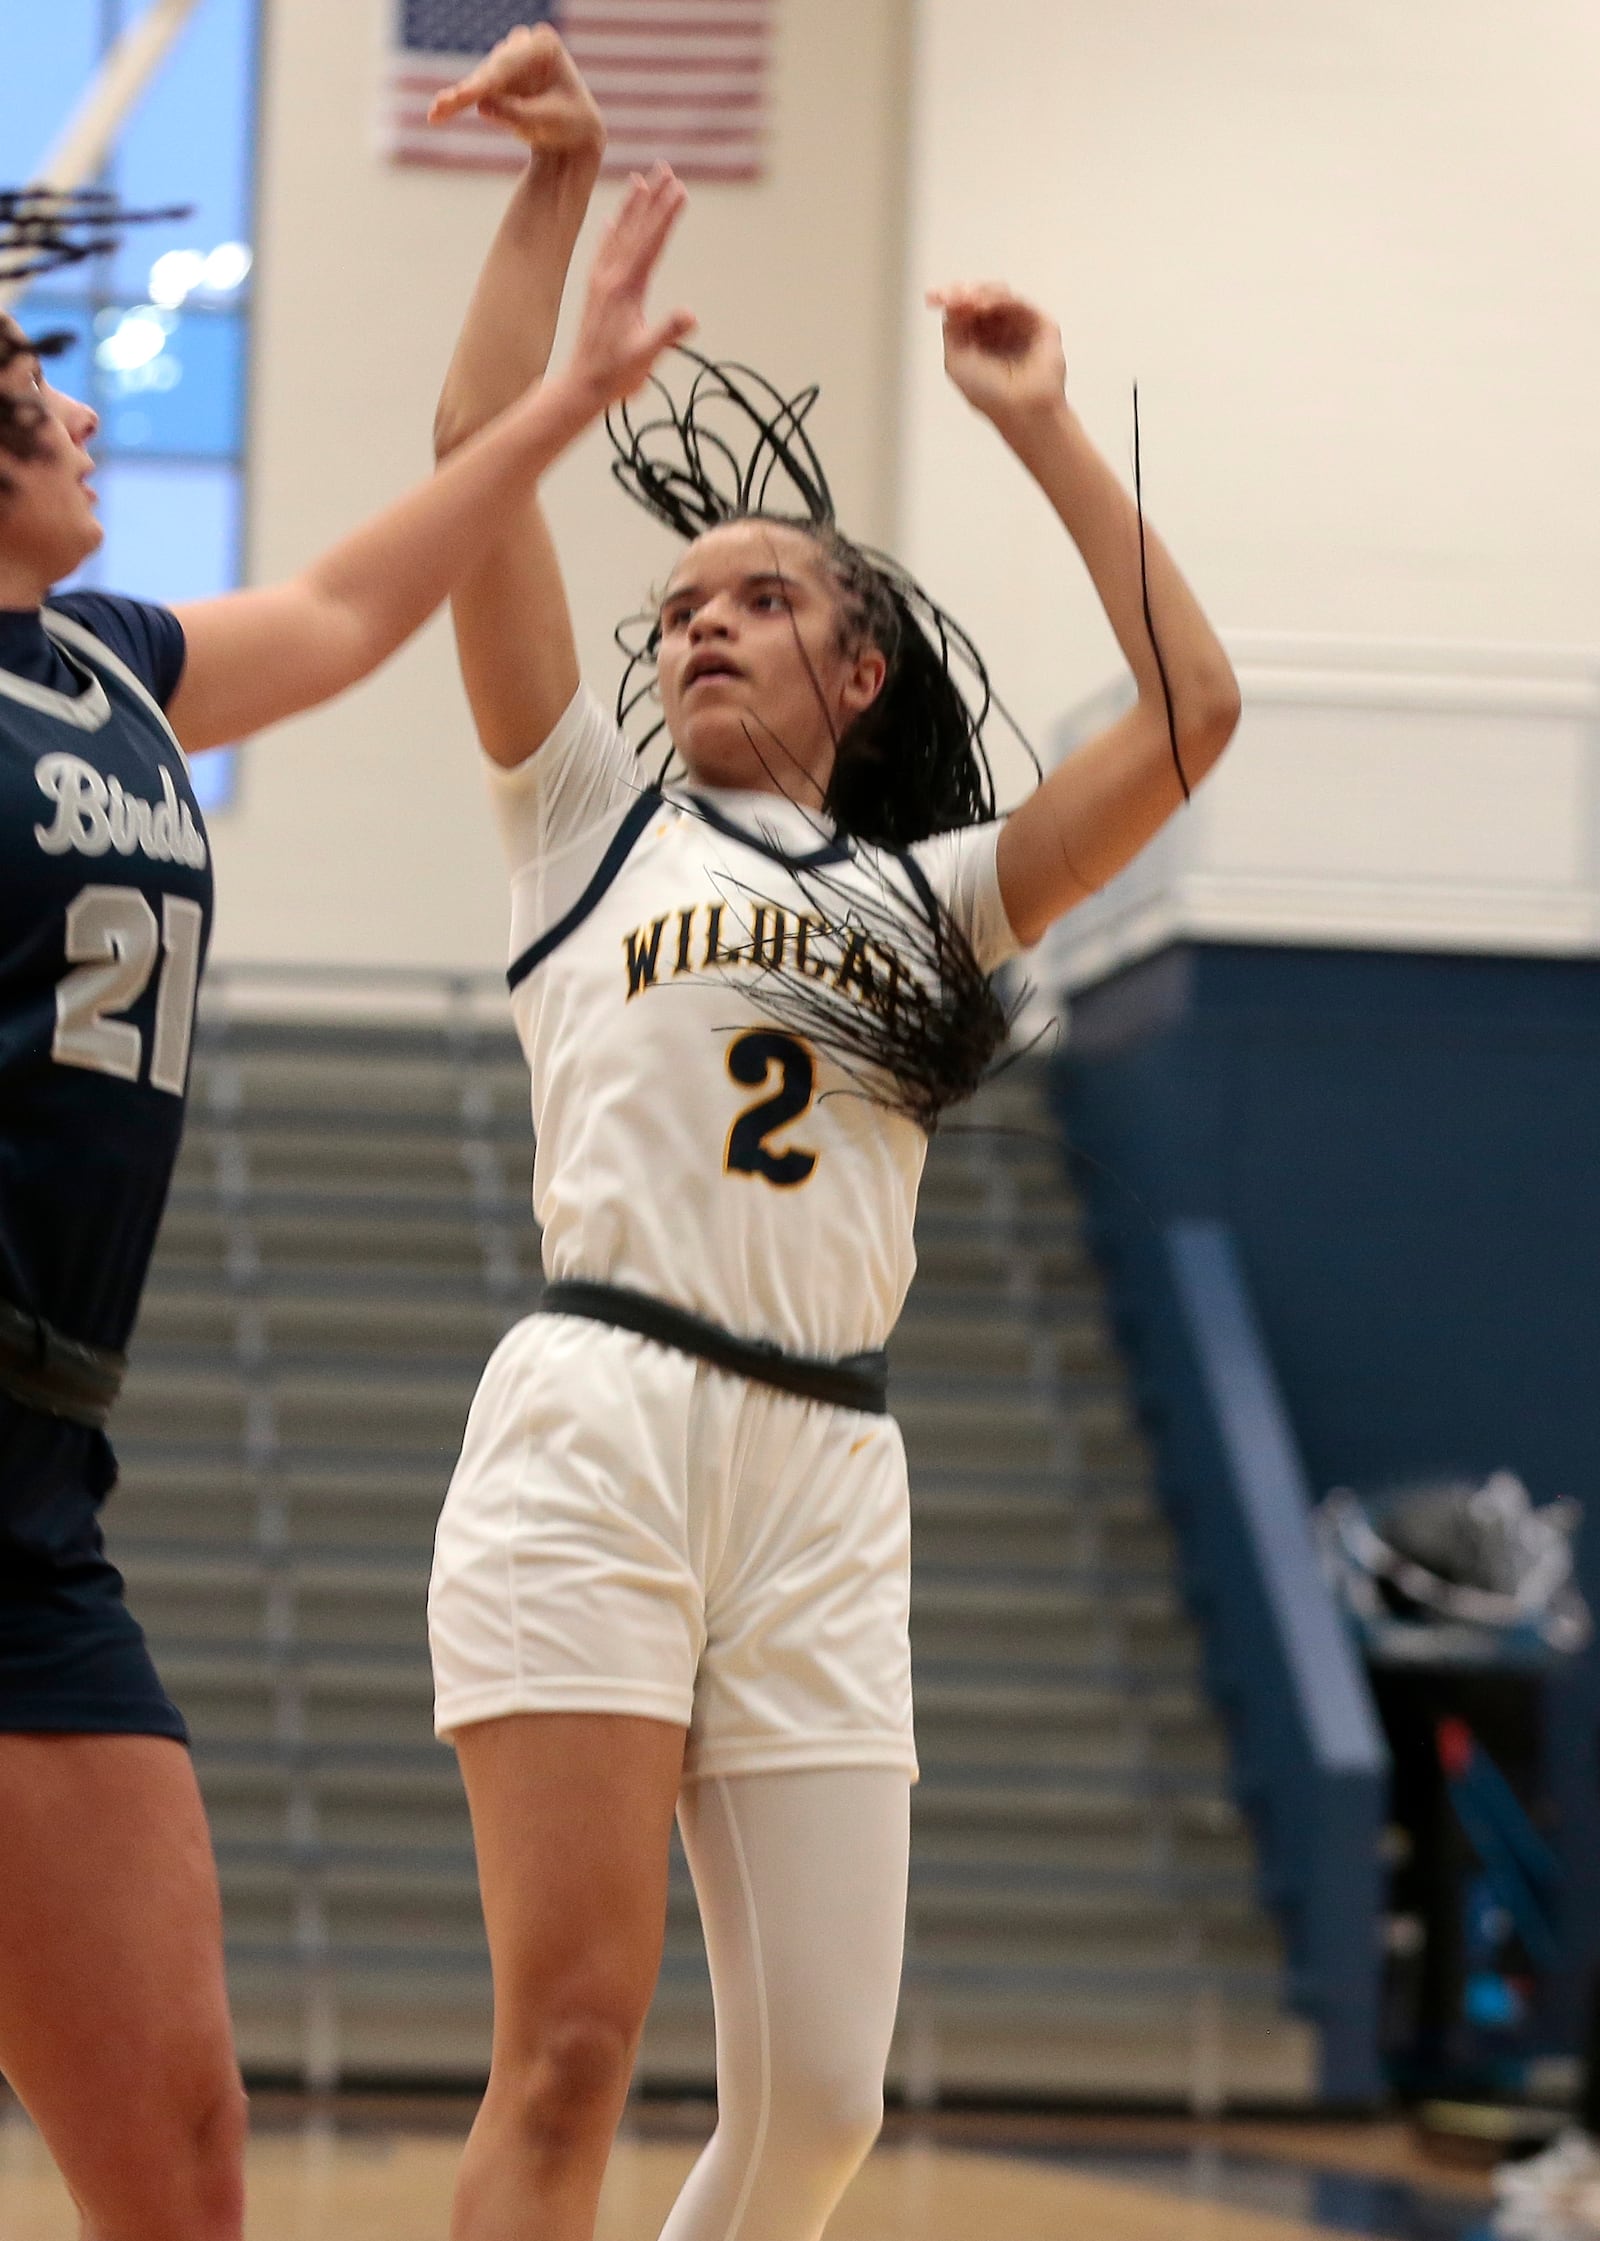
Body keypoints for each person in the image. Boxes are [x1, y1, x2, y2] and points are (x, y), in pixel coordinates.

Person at [425, 29, 1240, 2241]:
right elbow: (466, 476)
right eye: (680, 606)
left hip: (822, 1467)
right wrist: (550, 196)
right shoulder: (580, 828)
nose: (701, 622)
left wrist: (1042, 424)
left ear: (855, 666)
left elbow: (1190, 719)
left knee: (814, 2108)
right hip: (598, 1416)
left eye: (758, 597)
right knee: (573, 2047)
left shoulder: (929, 895)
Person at [0, 180, 693, 2241]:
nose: (88, 420)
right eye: (44, 392)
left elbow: (351, 611)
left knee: (183, 2163)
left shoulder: (113, 663)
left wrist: (564, 389)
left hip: (39, 1502)